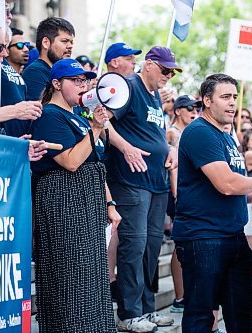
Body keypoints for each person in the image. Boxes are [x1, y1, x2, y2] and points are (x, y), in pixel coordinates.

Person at [172, 73, 252, 333]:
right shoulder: (200, 133)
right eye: (225, 97)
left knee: (241, 313)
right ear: (207, 100)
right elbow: (227, 184)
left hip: (233, 236)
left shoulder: (228, 136)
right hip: (203, 238)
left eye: (234, 97)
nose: (232, 103)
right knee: (201, 316)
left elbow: (237, 189)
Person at [30, 58, 119, 332]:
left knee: (91, 278)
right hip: (64, 200)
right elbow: (70, 161)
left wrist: (110, 203)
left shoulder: (79, 116)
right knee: (71, 277)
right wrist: (95, 128)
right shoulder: (50, 115)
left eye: (85, 81)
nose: (83, 85)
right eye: (75, 80)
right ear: (57, 83)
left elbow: (95, 165)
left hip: (88, 201)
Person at [105, 46, 180, 333]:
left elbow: (155, 133)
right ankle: (128, 313)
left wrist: (170, 147)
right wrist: (126, 148)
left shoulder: (155, 97)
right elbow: (100, 121)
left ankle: (146, 309)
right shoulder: (129, 86)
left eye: (172, 72)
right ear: (148, 65)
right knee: (133, 246)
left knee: (150, 248)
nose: (168, 76)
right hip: (132, 180)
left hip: (157, 181)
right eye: (164, 70)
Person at [103, 41, 143, 302]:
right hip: (109, 170)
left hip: (110, 172)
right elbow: (102, 119)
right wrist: (126, 146)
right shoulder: (110, 85)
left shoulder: (127, 86)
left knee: (114, 229)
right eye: (129, 58)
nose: (133, 63)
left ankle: (110, 281)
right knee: (112, 229)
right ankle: (107, 282)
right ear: (114, 61)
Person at [166, 94, 201, 313]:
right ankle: (180, 298)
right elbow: (173, 167)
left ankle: (185, 295)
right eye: (189, 108)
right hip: (178, 195)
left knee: (186, 246)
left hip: (187, 194)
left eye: (196, 108)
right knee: (180, 246)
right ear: (178, 110)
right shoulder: (173, 132)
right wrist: (179, 194)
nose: (194, 112)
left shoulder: (188, 131)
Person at [23, 17, 74, 101]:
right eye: (65, 41)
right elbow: (41, 111)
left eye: (71, 42)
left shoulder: (59, 73)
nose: (70, 46)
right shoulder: (35, 72)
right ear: (46, 43)